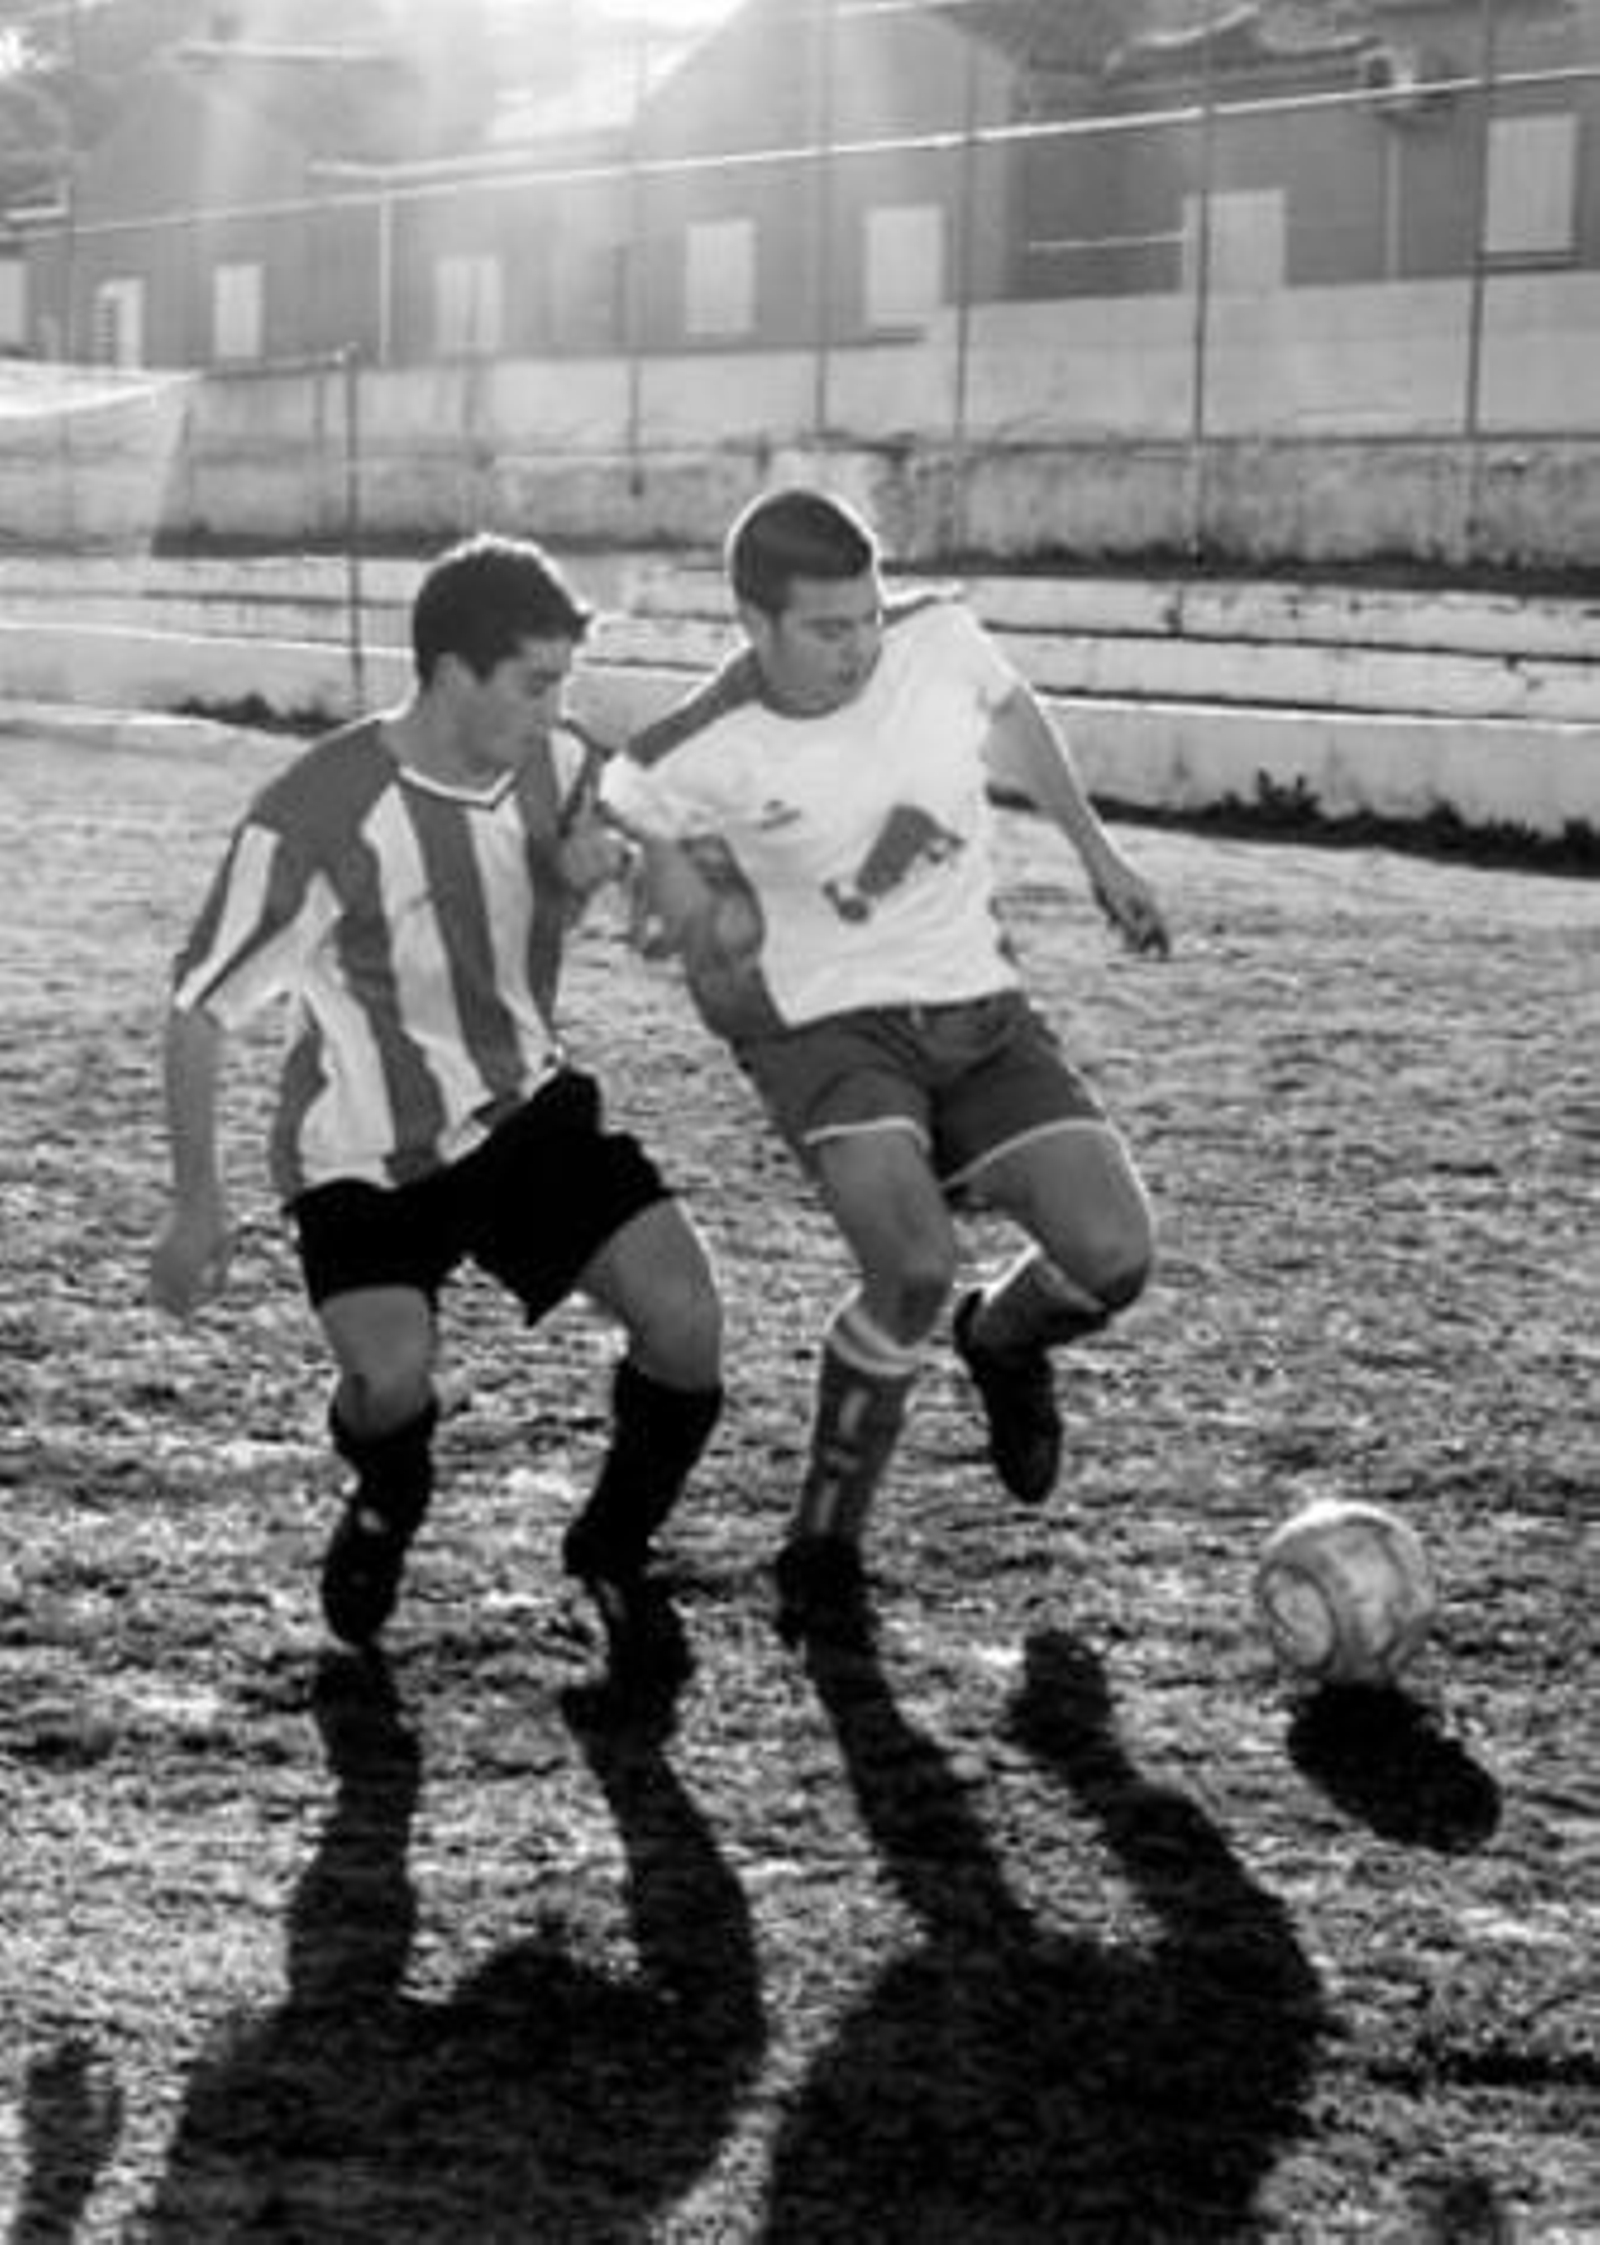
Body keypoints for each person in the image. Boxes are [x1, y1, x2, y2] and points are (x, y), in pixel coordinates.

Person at [149, 533, 723, 1706]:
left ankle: (611, 1550)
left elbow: (647, 832)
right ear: (454, 674)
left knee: (688, 1320)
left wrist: (623, 872)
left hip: (525, 1112)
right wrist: (196, 1204)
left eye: (564, 681)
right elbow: (200, 1013)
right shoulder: (315, 814)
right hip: (360, 1150)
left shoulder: (554, 758)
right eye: (536, 681)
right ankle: (388, 1487)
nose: (558, 707)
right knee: (392, 1380)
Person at [601, 488, 1168, 1646]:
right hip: (825, 1030)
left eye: (865, 616)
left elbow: (1014, 719)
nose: (858, 646)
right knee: (907, 1263)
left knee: (1114, 1257)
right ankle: (823, 1543)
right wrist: (669, 896)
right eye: (825, 629)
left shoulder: (939, 637)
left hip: (977, 1006)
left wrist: (1099, 854)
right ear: (753, 624)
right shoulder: (690, 749)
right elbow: (627, 828)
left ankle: (1001, 1338)